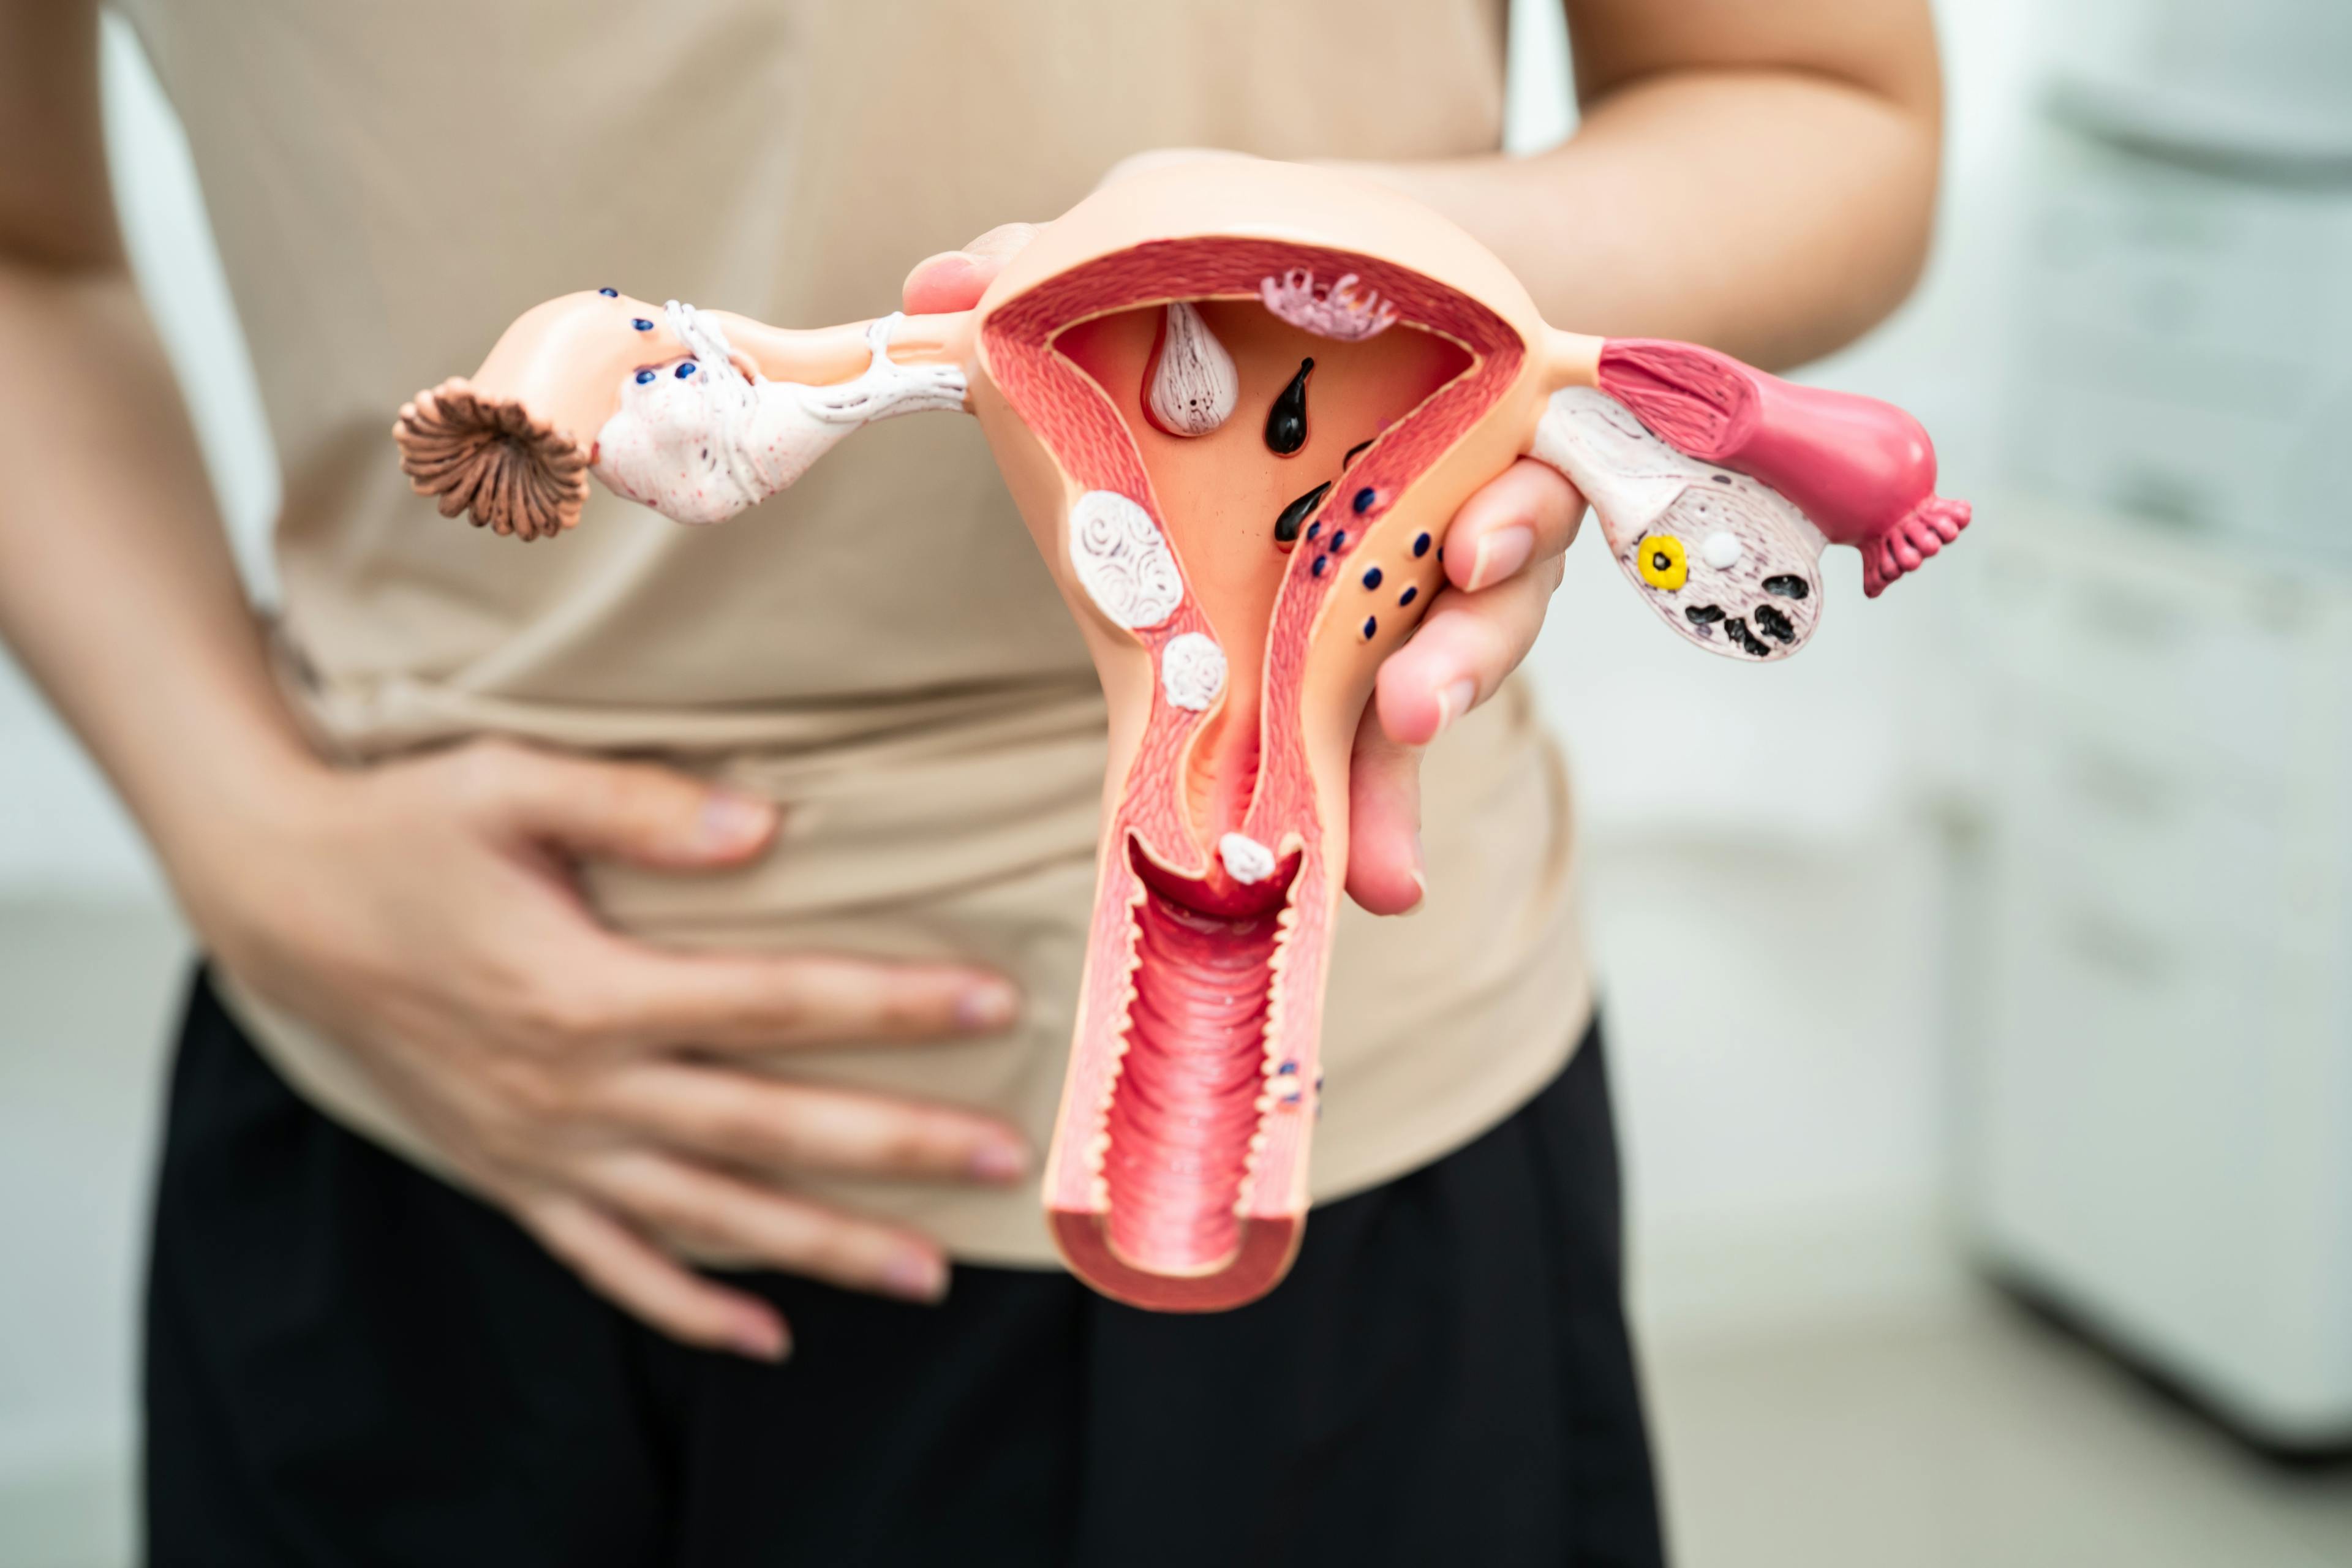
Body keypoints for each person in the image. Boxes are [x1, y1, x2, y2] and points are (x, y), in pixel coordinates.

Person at [0, 2, 1944, 1562]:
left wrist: (1408, 314)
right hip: (409, 1110)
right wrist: (241, 835)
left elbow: (1817, 91)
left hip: (1356, 1186)